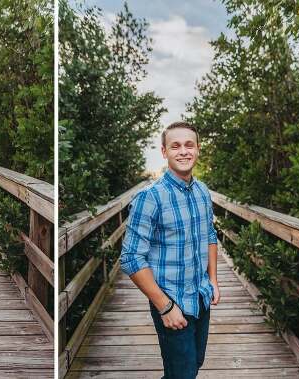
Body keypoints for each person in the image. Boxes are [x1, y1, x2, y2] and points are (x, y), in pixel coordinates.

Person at [120, 121, 220, 379]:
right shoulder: (150, 197)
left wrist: (213, 280)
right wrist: (165, 307)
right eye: (175, 146)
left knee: (193, 364)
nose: (183, 151)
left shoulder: (202, 191)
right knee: (183, 373)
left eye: (189, 145)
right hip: (172, 299)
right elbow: (131, 258)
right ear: (164, 152)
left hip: (201, 295)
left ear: (198, 149)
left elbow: (210, 235)